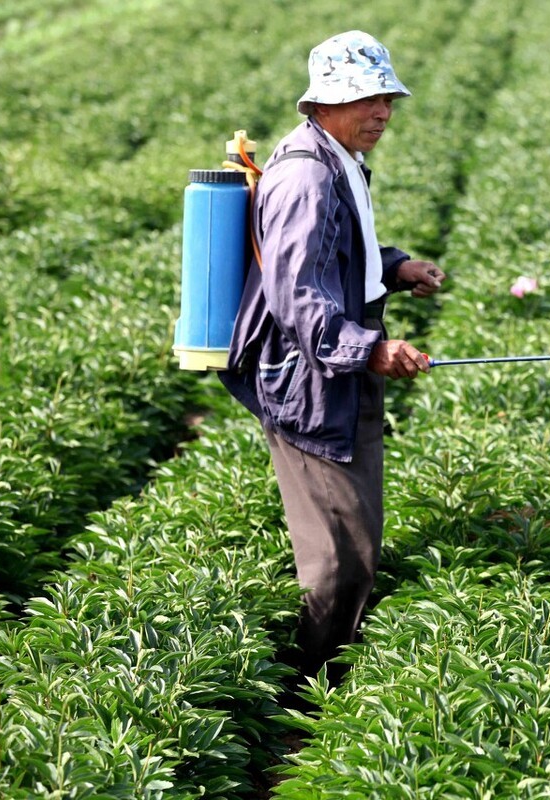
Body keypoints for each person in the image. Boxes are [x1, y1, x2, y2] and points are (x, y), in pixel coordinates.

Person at [219, 30, 444, 681]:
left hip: (338, 370)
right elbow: (298, 298)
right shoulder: (306, 177)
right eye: (366, 99)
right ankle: (313, 692)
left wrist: (395, 268)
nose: (382, 112)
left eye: (387, 99)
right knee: (338, 558)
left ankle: (331, 676)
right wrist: (370, 349)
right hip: (312, 377)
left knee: (358, 539)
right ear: (323, 103)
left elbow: (339, 252)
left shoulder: (338, 158)